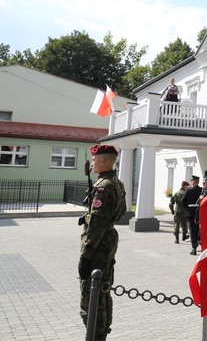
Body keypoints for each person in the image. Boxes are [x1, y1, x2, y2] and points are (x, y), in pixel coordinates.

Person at [78, 144, 127, 341]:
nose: (92, 163)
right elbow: (120, 212)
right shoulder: (117, 183)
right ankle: (102, 331)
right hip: (108, 241)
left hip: (98, 245)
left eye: (94, 159)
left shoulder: (104, 187)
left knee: (91, 294)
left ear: (103, 161)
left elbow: (96, 223)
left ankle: (95, 334)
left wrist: (85, 255)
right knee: (104, 289)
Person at [181, 175, 202, 255]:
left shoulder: (188, 190)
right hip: (200, 212)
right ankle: (200, 243)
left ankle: (194, 248)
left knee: (192, 230)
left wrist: (188, 208)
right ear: (198, 181)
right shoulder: (202, 190)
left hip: (191, 213)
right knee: (200, 229)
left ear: (193, 181)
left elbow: (183, 201)